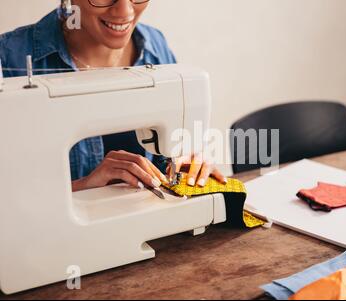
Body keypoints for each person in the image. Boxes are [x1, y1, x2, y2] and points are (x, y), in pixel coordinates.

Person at [0, 0, 226, 191]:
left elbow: (172, 150)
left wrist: (187, 157)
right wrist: (83, 187)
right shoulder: (9, 59)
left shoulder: (155, 45)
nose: (125, 11)